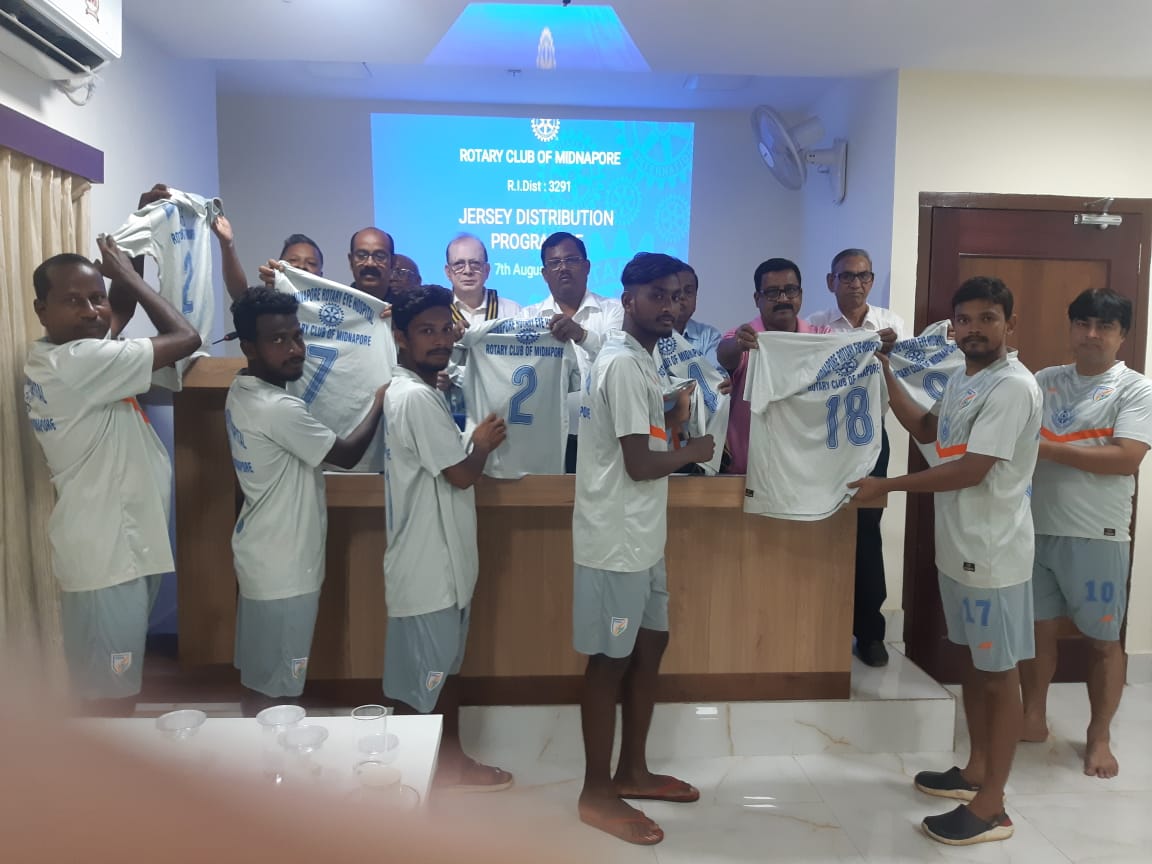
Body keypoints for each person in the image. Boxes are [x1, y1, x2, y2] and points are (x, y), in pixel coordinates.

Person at [849, 276, 1041, 845]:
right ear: (952, 327)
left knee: (998, 676)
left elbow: (972, 469)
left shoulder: (1012, 387)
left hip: (994, 556)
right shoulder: (964, 379)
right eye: (965, 319)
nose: (974, 329)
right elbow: (928, 428)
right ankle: (975, 771)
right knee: (976, 669)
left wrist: (888, 485)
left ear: (1010, 324)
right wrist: (885, 372)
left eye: (988, 318)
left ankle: (993, 807)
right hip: (961, 550)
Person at [23, 235, 202, 713]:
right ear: (42, 309)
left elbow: (114, 313)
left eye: (94, 297)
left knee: (109, 686)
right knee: (111, 699)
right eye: (72, 300)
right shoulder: (79, 362)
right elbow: (186, 337)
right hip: (109, 556)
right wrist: (127, 276)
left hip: (116, 551)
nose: (90, 311)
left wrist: (134, 243)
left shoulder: (60, 355)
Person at [573, 253, 715, 846]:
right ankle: (595, 791)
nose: (670, 306)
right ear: (628, 299)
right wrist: (693, 450)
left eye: (678, 295)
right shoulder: (625, 363)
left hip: (642, 538)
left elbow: (631, 435)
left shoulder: (640, 362)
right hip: (615, 541)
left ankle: (633, 769)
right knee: (608, 662)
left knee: (650, 646)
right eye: (657, 294)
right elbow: (637, 463)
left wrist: (668, 412)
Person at [225, 287, 387, 717]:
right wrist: (379, 401)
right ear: (249, 347)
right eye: (278, 340)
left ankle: (256, 752)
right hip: (284, 570)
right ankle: (268, 757)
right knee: (278, 690)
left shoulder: (241, 389)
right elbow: (347, 455)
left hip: (261, 555)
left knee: (261, 677)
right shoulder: (277, 408)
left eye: (297, 336)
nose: (295, 349)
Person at [382, 284, 513, 791]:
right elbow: (460, 475)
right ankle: (416, 786)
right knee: (423, 687)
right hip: (426, 571)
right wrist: (480, 446)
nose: (439, 340)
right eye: (425, 331)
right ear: (401, 337)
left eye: (444, 329)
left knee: (438, 678)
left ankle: (449, 767)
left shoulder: (422, 391)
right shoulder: (415, 396)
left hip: (440, 569)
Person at [1020, 288, 1152, 778]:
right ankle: (1032, 717)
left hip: (1098, 534)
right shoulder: (1045, 380)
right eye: (1083, 324)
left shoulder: (1134, 388)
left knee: (1102, 640)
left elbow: (1126, 458)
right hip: (1035, 528)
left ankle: (1099, 737)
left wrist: (1048, 450)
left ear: (1122, 335)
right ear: (1072, 327)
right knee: (1038, 631)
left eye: (1104, 326)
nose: (1091, 335)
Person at [811, 248, 907, 667]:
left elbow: (908, 377)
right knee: (819, 525)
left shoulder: (892, 325)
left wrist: (892, 353)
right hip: (822, 438)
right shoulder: (815, 325)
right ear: (830, 281)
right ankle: (818, 624)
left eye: (863, 276)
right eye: (846, 276)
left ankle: (869, 633)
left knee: (867, 530)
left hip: (870, 438)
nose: (855, 283)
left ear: (872, 280)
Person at [521, 232, 624, 472]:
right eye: (554, 263)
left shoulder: (614, 310)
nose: (563, 268)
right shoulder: (527, 317)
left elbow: (618, 359)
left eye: (571, 260)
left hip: (603, 429)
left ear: (586, 267)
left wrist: (582, 335)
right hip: (545, 430)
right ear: (544, 274)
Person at [717, 257, 830, 474]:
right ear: (757, 298)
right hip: (749, 474)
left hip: (806, 473)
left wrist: (877, 344)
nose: (783, 298)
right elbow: (725, 355)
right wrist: (738, 344)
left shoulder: (822, 337)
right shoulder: (744, 337)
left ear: (801, 294)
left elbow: (848, 354)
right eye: (772, 292)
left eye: (791, 290)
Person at [444, 233, 521, 324]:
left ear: (487, 270)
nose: (468, 271)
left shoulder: (512, 312)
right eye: (459, 264)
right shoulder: (437, 312)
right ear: (448, 272)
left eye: (475, 264)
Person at [672, 262, 723, 372]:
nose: (682, 297)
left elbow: (717, 378)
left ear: (696, 297)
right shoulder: (650, 335)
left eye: (688, 291)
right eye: (676, 291)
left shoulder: (709, 336)